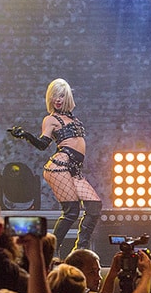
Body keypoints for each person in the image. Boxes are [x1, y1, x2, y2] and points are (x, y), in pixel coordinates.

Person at [13, 79, 102, 253]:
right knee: (71, 212)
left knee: (94, 207)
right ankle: (51, 251)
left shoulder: (73, 118)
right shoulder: (50, 119)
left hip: (74, 169)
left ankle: (80, 250)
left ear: (67, 97)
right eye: (54, 96)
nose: (58, 99)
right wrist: (25, 135)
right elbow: (42, 144)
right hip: (59, 166)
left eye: (61, 95)